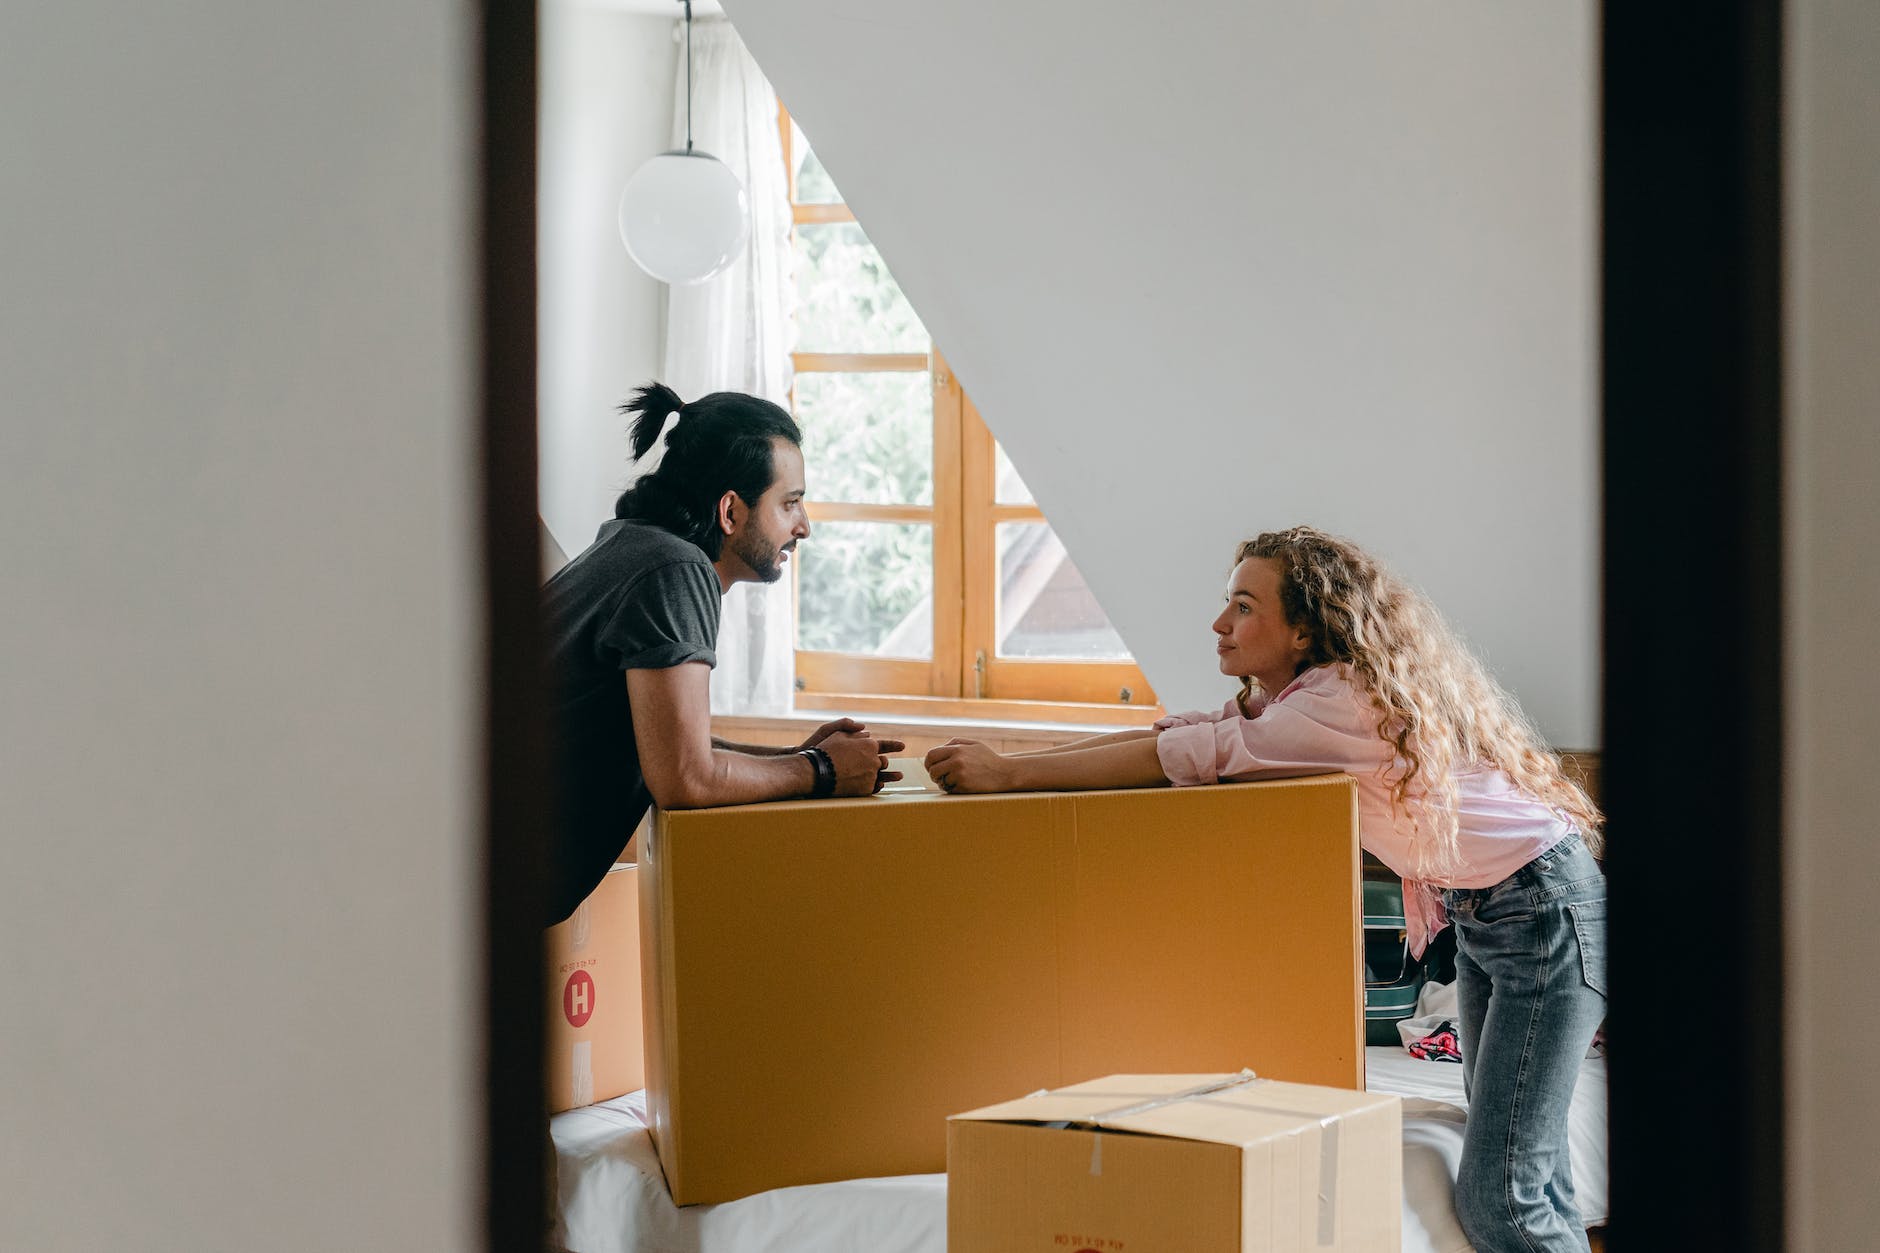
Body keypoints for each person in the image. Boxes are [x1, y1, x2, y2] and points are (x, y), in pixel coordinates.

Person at [924, 526, 1606, 1253]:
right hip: (1500, 905)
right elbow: (1181, 733)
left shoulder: (1332, 708)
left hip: (1541, 909)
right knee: (1532, 1180)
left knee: (1504, 1199)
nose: (1221, 624)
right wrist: (1011, 762)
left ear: (1305, 628)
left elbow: (1178, 758)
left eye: (1244, 607)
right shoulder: (1297, 703)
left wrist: (1012, 775)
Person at [544, 382, 901, 927]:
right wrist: (822, 771)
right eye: (790, 503)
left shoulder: (632, 546)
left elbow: (670, 746)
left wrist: (790, 758)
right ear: (731, 511)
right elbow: (685, 777)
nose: (803, 526)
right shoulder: (674, 569)